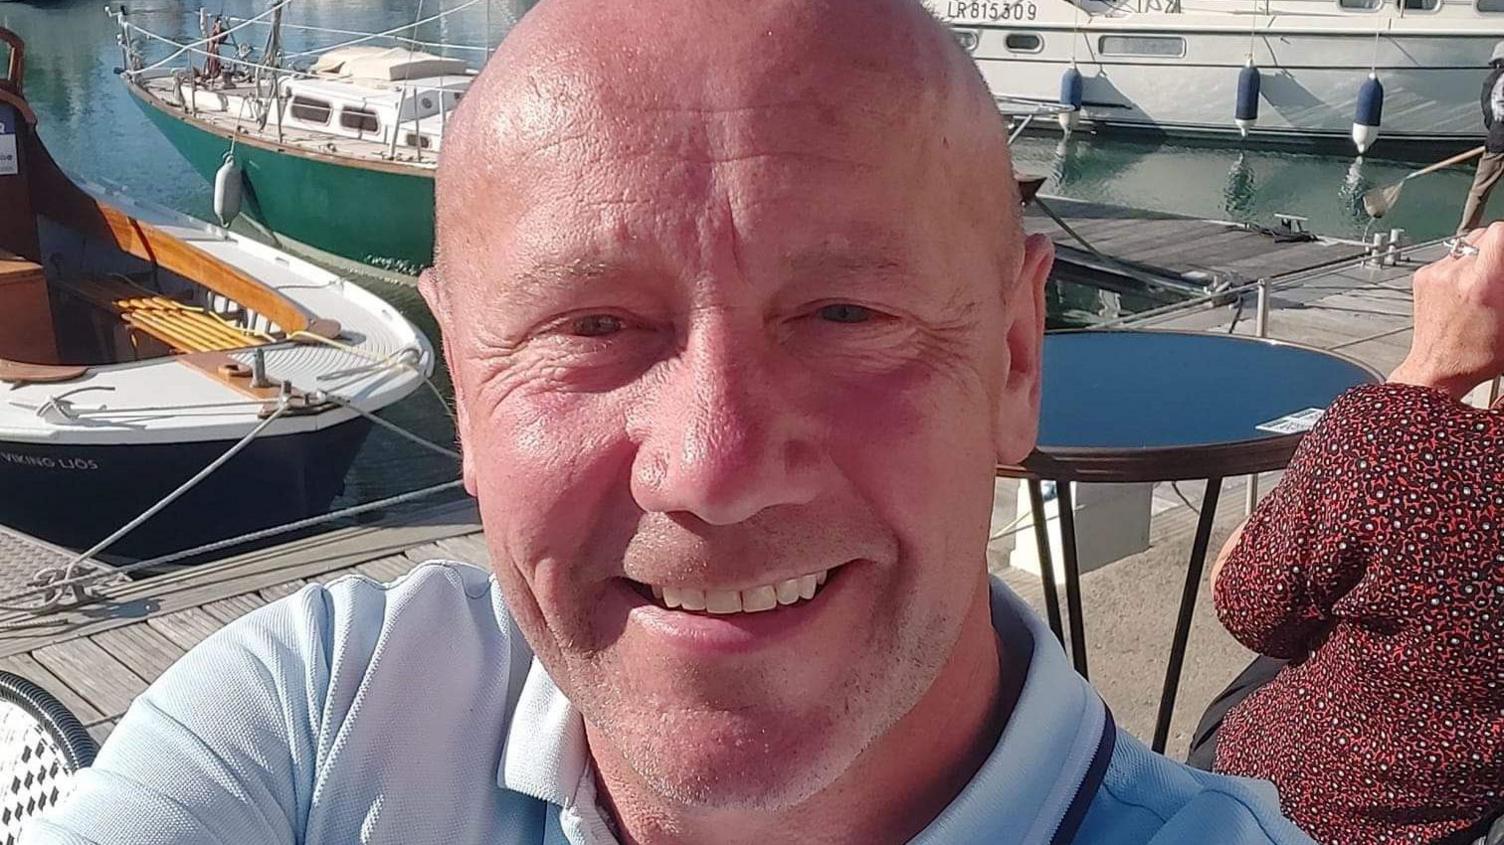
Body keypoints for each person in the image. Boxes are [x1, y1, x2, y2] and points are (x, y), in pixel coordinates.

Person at [25, 2, 1314, 842]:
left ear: (1019, 359)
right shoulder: (321, 716)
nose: (714, 467)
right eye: (591, 327)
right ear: (466, 387)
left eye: (846, 312)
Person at [1205, 228, 1504, 843]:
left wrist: (1426, 368)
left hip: (1298, 806)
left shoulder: (1398, 446)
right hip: (1473, 805)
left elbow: (1249, 607)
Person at [1460, 43, 1504, 234]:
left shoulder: (1489, 81)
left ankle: (1464, 233)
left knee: (1479, 190)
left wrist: (1494, 131)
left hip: (1495, 141)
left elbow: (1488, 114)